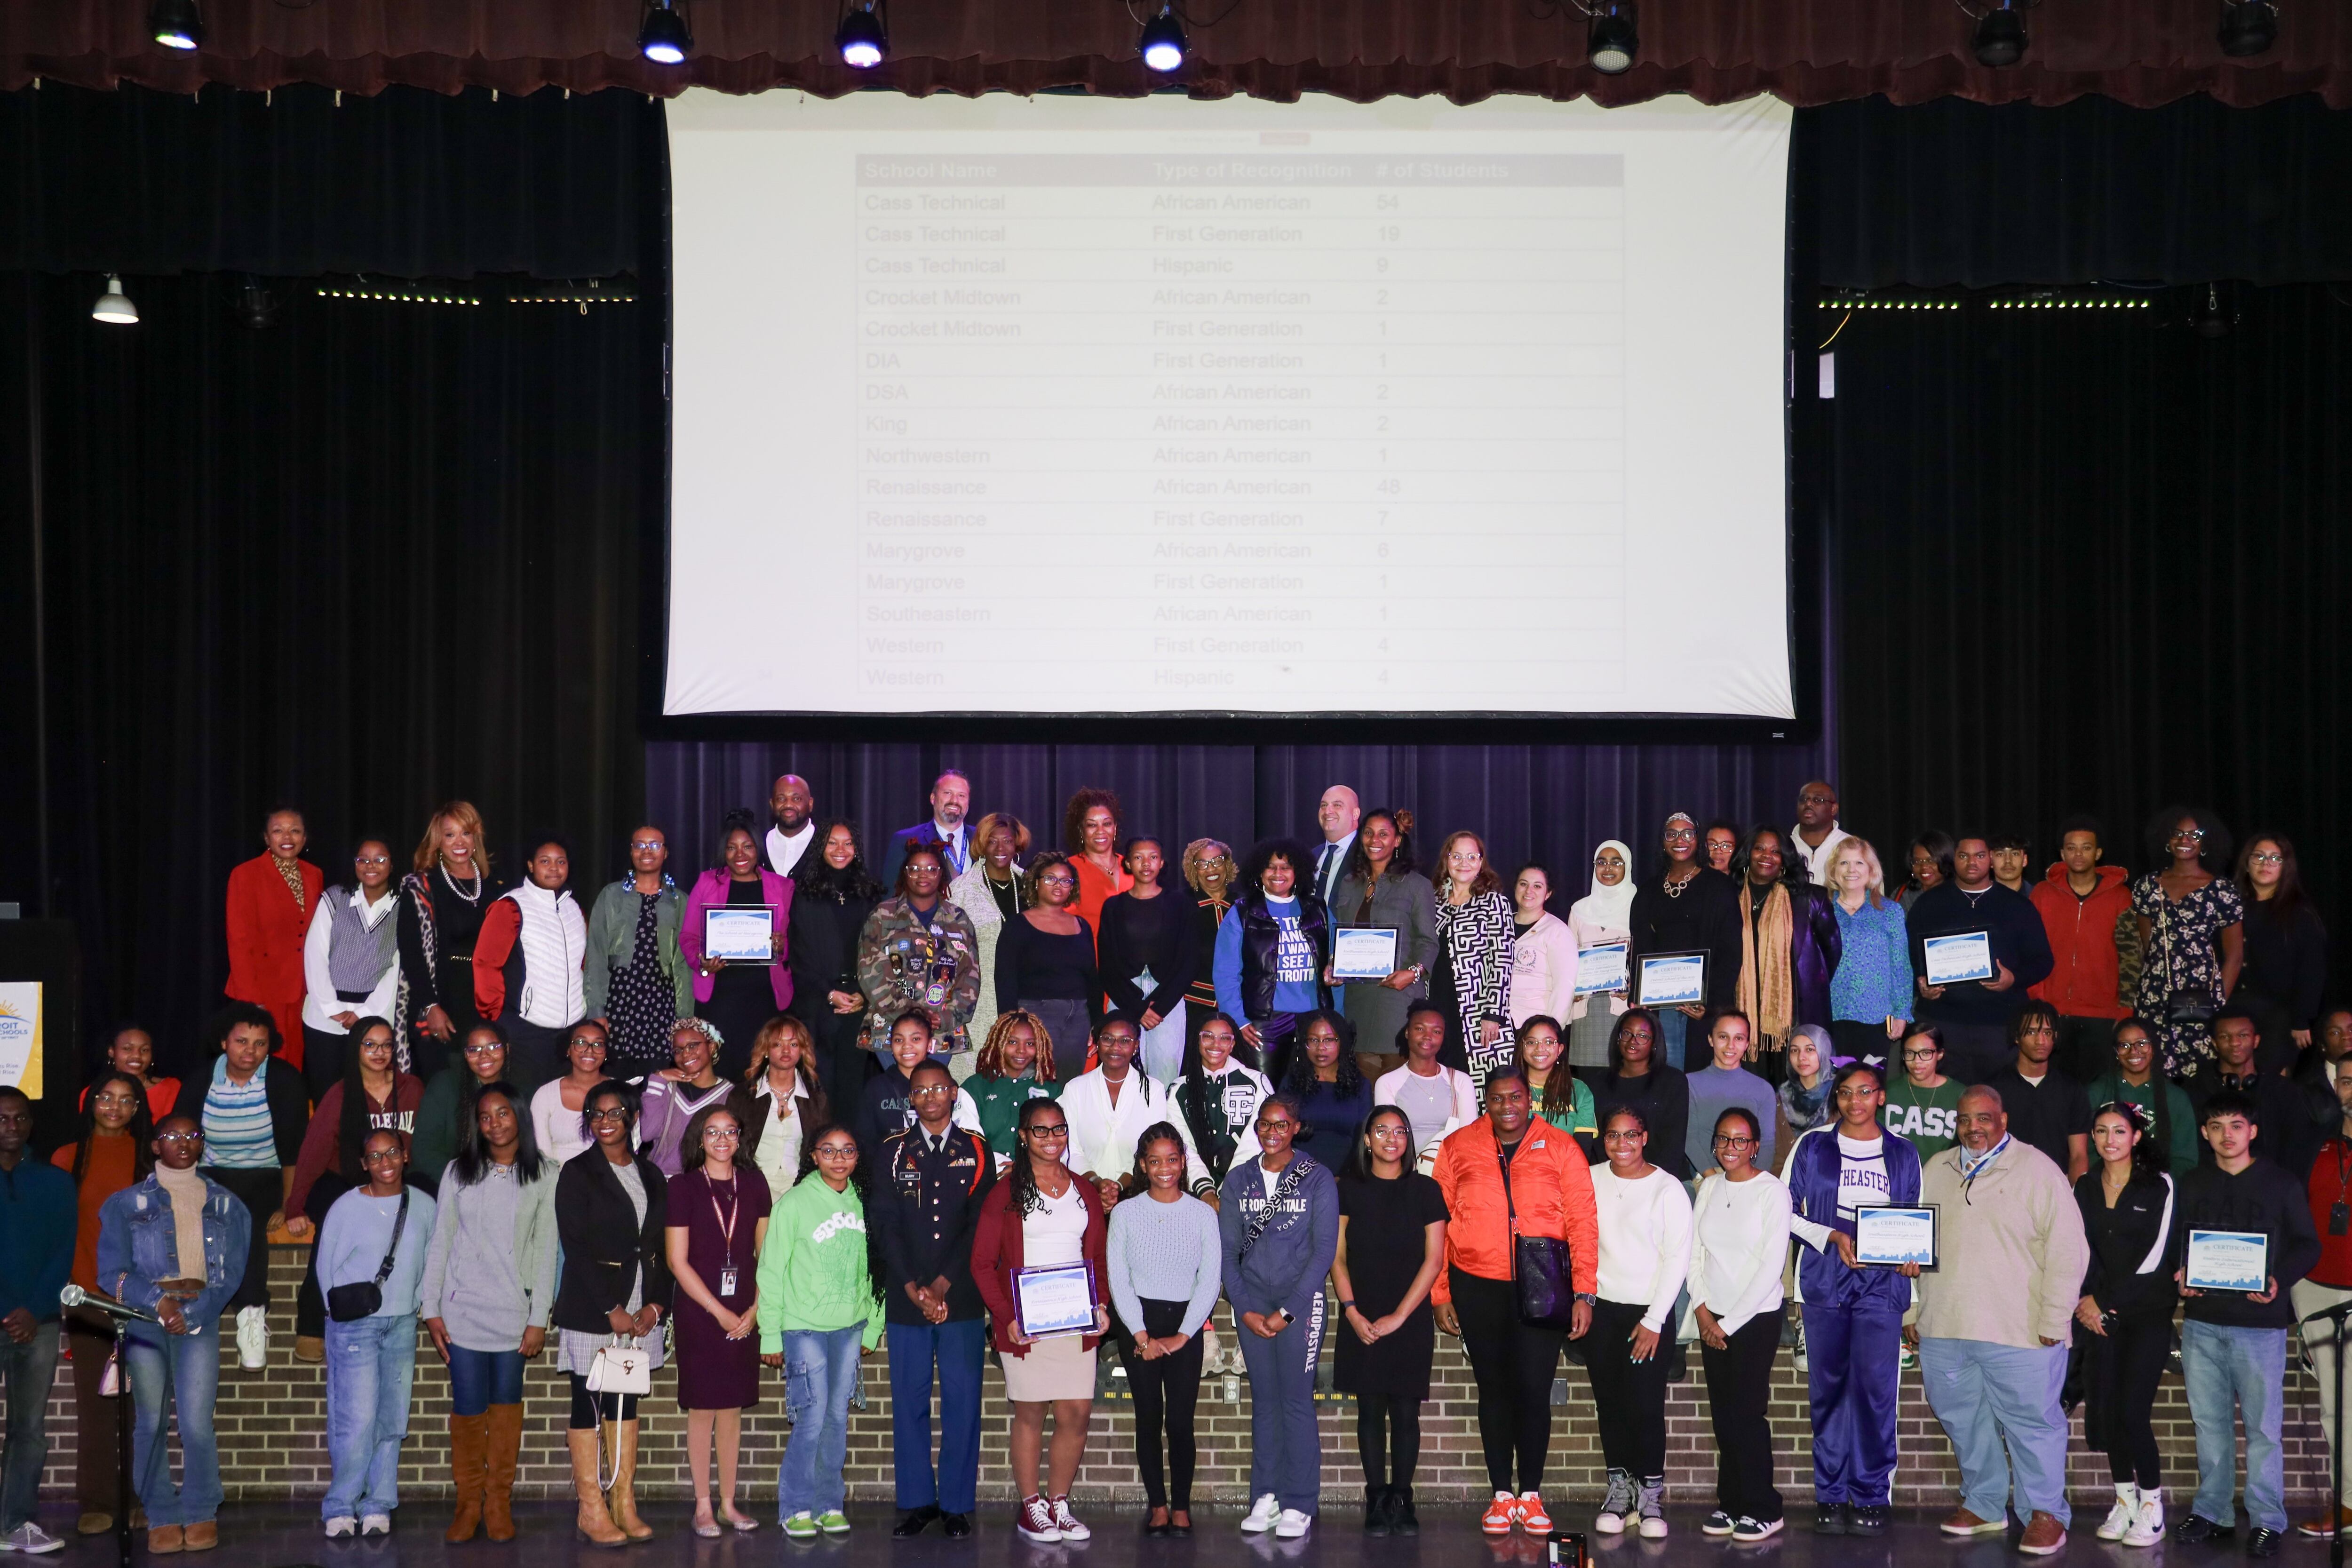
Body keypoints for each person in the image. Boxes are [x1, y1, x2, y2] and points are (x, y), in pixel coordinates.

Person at [1911, 1086, 2087, 1552]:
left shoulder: (2037, 1169)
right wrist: (1912, 1309)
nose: (1974, 1127)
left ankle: (2045, 1513)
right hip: (1945, 1327)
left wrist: (2055, 1317)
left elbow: (2069, 1249)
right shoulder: (1936, 1169)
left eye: (1984, 1118)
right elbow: (1911, 1246)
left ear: (2003, 1120)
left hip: (2020, 1330)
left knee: (2032, 1425)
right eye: (1965, 1119)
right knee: (1963, 1422)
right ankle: (1985, 1504)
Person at [1432, 1066, 1597, 1536]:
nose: (1507, 1107)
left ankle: (1530, 1494)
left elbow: (1583, 1221)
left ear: (1530, 1101)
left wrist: (1584, 1290)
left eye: (1515, 1098)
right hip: (1476, 1282)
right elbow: (1439, 1222)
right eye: (1498, 1099)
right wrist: (1440, 1291)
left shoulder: (1561, 1147)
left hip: (1542, 1281)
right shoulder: (1458, 1145)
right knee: (1494, 1390)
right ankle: (1500, 1495)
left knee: (1532, 1388)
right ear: (1487, 1102)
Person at [2171, 1088, 2322, 1555]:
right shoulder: (2190, 1183)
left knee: (2261, 1430)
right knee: (2209, 1424)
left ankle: (2266, 1519)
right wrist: (2180, 1273)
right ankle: (2212, 1512)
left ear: (2252, 1131)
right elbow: (2177, 1242)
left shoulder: (2281, 1184)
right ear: (2204, 1133)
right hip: (2201, 1322)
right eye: (2215, 1127)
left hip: (2259, 1326)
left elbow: (2307, 1245)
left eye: (2235, 1126)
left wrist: (2277, 1279)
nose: (2226, 1135)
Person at [98, 1114, 251, 1555]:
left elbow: (234, 1273)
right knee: (149, 1421)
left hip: (200, 1318)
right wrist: (159, 1303)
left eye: (192, 1136)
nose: (183, 1143)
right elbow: (111, 1272)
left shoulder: (228, 1205)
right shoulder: (124, 1204)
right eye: (172, 1136)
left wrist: (197, 1309)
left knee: (196, 1421)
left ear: (202, 1145)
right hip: (147, 1320)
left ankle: (201, 1508)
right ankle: (162, 1512)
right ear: (155, 1146)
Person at [1784, 1062, 1922, 1535]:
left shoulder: (1903, 1153)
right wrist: (1829, 1236)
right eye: (1845, 1093)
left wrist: (1911, 1258)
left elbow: (1912, 1220)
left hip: (1881, 1286)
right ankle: (1830, 1494)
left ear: (1880, 1096)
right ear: (1835, 1098)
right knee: (1827, 1393)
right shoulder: (1812, 1146)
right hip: (1824, 1280)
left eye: (1864, 1092)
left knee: (1875, 1395)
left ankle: (1869, 1494)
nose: (1854, 1101)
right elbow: (1782, 1211)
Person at [418, 1081, 556, 1544]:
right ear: (476, 1125)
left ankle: (498, 1503)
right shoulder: (459, 1172)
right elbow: (440, 1240)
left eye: (503, 1113)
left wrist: (539, 1317)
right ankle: (467, 1505)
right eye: (485, 1116)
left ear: (520, 1116)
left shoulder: (544, 1174)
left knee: (505, 1412)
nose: (494, 1122)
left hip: (514, 1315)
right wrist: (431, 1307)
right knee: (467, 1410)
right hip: (462, 1314)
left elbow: (545, 1250)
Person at [972, 1098, 1112, 1544]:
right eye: (1041, 1130)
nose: (1052, 1139)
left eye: (1059, 1129)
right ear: (1023, 1135)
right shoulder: (1005, 1193)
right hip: (1026, 1324)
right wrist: (1005, 1316)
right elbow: (981, 1263)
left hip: (1074, 1318)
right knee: (1031, 1412)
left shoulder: (1084, 1191)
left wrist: (1102, 1305)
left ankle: (1059, 1504)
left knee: (1077, 1413)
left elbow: (1098, 1258)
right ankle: (1031, 1506)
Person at [872, 1063, 996, 1539]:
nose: (929, 1097)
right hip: (907, 1300)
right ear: (911, 1098)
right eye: (919, 1091)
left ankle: (957, 1505)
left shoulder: (978, 1152)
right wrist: (911, 1287)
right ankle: (917, 1502)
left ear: (952, 1093)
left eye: (937, 1089)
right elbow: (883, 1224)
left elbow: (978, 1227)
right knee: (909, 1402)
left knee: (963, 1402)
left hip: (960, 1297)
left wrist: (943, 1284)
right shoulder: (890, 1153)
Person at [552, 1080, 670, 1547]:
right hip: (592, 1307)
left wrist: (657, 1303)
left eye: (614, 1113)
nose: (605, 1121)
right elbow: (575, 1247)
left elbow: (662, 1246)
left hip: (643, 1306)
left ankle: (624, 1502)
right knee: (589, 1400)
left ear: (633, 1117)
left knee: (625, 1402)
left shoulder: (652, 1175)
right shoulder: (577, 1173)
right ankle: (591, 1508)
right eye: (596, 1114)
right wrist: (611, 1310)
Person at [1221, 1093, 1339, 1539]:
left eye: (1281, 1124)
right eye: (1265, 1125)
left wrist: (1287, 1312)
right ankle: (1266, 1496)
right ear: (1257, 1130)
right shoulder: (1238, 1180)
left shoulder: (1317, 1177)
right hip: (1252, 1305)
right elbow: (1228, 1254)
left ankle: (1300, 1501)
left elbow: (1323, 1251)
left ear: (1295, 1127)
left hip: (1300, 1306)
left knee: (1295, 1400)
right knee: (1265, 1401)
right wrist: (1246, 1308)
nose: (1272, 1133)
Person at [757, 1123, 883, 1540]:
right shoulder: (793, 1203)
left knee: (836, 1419)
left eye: (847, 1150)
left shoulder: (867, 1201)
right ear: (813, 1155)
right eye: (829, 1151)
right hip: (804, 1327)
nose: (839, 1158)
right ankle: (795, 1506)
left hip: (850, 1326)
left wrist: (873, 1325)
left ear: (858, 1156)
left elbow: (880, 1268)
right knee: (811, 1419)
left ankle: (829, 1503)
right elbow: (771, 1271)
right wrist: (771, 1334)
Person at [1332, 1105, 1448, 1537]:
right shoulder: (1348, 1190)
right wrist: (1352, 1310)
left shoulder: (1426, 1190)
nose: (1391, 1138)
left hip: (1409, 1313)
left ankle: (1403, 1496)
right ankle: (1376, 1497)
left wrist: (1401, 1315)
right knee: (1369, 1409)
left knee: (1405, 1410)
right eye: (1382, 1130)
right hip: (1360, 1310)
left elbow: (1434, 1259)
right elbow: (1337, 1256)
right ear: (1367, 1138)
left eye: (1400, 1131)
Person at [315, 1130, 437, 1539]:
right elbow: (325, 1266)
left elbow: (431, 1258)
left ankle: (377, 1503)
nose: (385, 1162)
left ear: (405, 1156)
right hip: (356, 1325)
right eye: (375, 1156)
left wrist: (420, 1301)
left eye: (392, 1153)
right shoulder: (346, 1207)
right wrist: (336, 1313)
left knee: (391, 1418)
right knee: (356, 1418)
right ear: (364, 1163)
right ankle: (341, 1505)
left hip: (402, 1322)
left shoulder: (423, 1205)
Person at [173, 1003, 307, 1371]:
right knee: (216, 1220)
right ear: (224, 1042)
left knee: (250, 1220)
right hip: (212, 1173)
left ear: (270, 1047)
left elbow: (295, 1148)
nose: (250, 1050)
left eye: (260, 1043)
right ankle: (200, 1310)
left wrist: (290, 1202)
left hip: (267, 1174)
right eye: (242, 1041)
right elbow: (181, 1140)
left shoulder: (283, 1079)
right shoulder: (202, 1080)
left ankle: (251, 1314)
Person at [1107, 1124, 1224, 1538]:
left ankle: (1181, 1506)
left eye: (1172, 1159)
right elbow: (1118, 1279)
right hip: (1137, 1323)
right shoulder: (1124, 1212)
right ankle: (1157, 1505)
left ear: (1183, 1162)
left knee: (1179, 1421)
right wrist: (1141, 1336)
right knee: (1148, 1417)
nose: (1164, 1168)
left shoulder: (1202, 1213)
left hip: (1185, 1326)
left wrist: (1184, 1335)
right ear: (1143, 1164)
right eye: (1155, 1160)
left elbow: (1210, 1280)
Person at [51, 1074, 154, 1538]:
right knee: (95, 1407)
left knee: (140, 1409)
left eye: (126, 1100)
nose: (114, 1107)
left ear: (137, 1108)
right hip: (87, 1298)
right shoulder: (67, 1157)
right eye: (106, 1098)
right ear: (91, 1102)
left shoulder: (148, 1157)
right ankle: (96, 1500)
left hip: (138, 1303)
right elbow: (57, 1231)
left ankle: (138, 1498)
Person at [2074, 1100, 2179, 1548]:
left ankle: (2153, 1506)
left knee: (2135, 1412)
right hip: (2100, 1317)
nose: (2109, 1140)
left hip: (2146, 1314)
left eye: (2119, 1131)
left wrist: (2105, 1302)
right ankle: (2125, 1501)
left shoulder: (2160, 1185)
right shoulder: (2083, 1186)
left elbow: (2159, 1256)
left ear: (2137, 1136)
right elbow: (2079, 1247)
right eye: (2101, 1132)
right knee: (2111, 1412)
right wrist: (2087, 1303)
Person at [1583, 1106, 1692, 1541]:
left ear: (1645, 1137)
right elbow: (1580, 1241)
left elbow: (1677, 1259)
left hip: (1649, 1314)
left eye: (1631, 1135)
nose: (1622, 1144)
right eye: (1613, 1135)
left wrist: (1653, 1320)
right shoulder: (1591, 1178)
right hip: (1602, 1310)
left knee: (1646, 1407)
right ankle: (1619, 1491)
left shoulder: (1668, 1188)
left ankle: (1650, 1495)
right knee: (1610, 1404)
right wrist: (1583, 1298)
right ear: (1604, 1139)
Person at [286, 1019, 425, 1360]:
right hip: (344, 1178)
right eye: (370, 1045)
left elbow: (424, 1145)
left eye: (387, 1045)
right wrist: (295, 1205)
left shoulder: (412, 1088)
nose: (380, 1052)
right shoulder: (340, 1093)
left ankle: (423, 1301)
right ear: (356, 1050)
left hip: (398, 1177)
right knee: (332, 1224)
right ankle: (312, 1323)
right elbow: (314, 1152)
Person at [665, 1102, 772, 1537]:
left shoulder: (755, 1182)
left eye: (730, 1131)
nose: (722, 1139)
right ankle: (703, 1506)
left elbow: (766, 1255)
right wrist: (719, 1311)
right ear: (699, 1138)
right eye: (713, 1132)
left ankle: (729, 1503)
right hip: (700, 1310)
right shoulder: (683, 1187)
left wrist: (757, 1307)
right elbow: (677, 1261)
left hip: (745, 1309)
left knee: (732, 1409)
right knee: (703, 1409)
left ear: (741, 1137)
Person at [1688, 1106, 1791, 1543]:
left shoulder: (1773, 1192)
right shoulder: (1709, 1188)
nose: (1732, 1148)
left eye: (1741, 1140)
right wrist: (1702, 1310)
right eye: (1724, 1139)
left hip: (1755, 1319)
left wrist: (1728, 1324)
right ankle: (1731, 1502)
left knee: (1747, 1415)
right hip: (1714, 1316)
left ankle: (1764, 1507)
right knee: (1723, 1416)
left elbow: (1771, 1266)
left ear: (1755, 1146)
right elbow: (1694, 1254)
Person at [1907, 834, 2056, 1083]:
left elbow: (2043, 962)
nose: (1971, 863)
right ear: (1953, 860)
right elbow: (1907, 962)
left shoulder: (2018, 906)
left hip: (2000, 1026)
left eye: (1980, 856)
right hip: (1942, 1023)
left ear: (1991, 860)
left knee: (1997, 1103)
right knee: (1945, 1106)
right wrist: (1920, 985)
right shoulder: (1928, 905)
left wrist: (2014, 979)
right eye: (1963, 856)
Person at [0, 1086, 74, 1555]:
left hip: (39, 1320)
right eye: (3, 1118)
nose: (12, 1127)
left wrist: (33, 1307)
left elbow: (62, 1251)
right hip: (13, 1316)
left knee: (29, 1429)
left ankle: (16, 1524)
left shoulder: (55, 1181)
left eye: (20, 1118)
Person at [682, 811, 795, 1082]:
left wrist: (782, 946)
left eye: (747, 847)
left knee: (761, 1074)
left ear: (758, 849)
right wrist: (702, 963)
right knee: (721, 1072)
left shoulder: (782, 886)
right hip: (720, 997)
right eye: (732, 848)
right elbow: (688, 937)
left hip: (766, 997)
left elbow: (796, 940)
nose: (739, 854)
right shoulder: (708, 883)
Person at [395, 801, 505, 1081]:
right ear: (438, 841)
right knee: (445, 1084)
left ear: (475, 837)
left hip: (486, 999)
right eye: (450, 835)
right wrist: (431, 1007)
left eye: (466, 833)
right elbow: (411, 954)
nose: (459, 842)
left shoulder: (494, 887)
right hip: (442, 998)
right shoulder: (421, 886)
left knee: (485, 1086)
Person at [2133, 807, 2246, 1078]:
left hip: (2201, 997)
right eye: (2177, 834)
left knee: (2200, 1076)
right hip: (2156, 995)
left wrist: (2217, 1002)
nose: (2185, 840)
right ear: (2166, 840)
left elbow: (2235, 956)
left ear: (2207, 842)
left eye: (2194, 834)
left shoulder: (2222, 889)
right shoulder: (2147, 886)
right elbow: (2149, 947)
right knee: (2156, 1072)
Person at [1627, 813, 1742, 1073]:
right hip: (1660, 1005)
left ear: (1698, 840)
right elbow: (1641, 948)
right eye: (1672, 834)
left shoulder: (1719, 887)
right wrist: (1640, 993)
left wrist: (1711, 1004)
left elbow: (1731, 952)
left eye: (1687, 833)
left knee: (1695, 1079)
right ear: (1662, 842)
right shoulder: (1648, 892)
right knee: (1664, 1078)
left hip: (1701, 1006)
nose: (1680, 840)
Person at [1327, 809, 1435, 1080]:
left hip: (1399, 1000)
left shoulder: (1417, 885)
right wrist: (1333, 965)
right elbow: (1341, 937)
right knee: (1365, 1091)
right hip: (1358, 1003)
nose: (1375, 840)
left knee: (1396, 1090)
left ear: (1397, 840)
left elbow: (1428, 942)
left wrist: (1413, 974)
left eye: (1384, 834)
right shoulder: (1350, 884)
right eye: (1368, 833)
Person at [470, 837, 588, 1084]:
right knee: (529, 1107)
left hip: (572, 1031)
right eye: (545, 861)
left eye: (561, 862)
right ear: (531, 866)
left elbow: (582, 965)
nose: (554, 868)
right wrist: (500, 1022)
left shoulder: (574, 908)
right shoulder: (511, 906)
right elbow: (485, 964)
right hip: (528, 1030)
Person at [1214, 838, 1332, 1084]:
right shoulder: (1242, 913)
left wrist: (1335, 1019)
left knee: (1308, 1100)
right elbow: (1226, 974)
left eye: (1286, 867)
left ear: (1297, 871)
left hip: (1314, 1019)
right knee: (1265, 1096)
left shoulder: (1318, 910)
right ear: (1259, 872)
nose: (1278, 873)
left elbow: (1335, 965)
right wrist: (1238, 1020)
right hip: (1265, 1023)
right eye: (1270, 867)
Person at [2028, 817, 2135, 1082]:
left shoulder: (2121, 897)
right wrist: (2038, 1001)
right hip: (2051, 1012)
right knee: (2054, 1089)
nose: (2079, 854)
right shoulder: (2043, 893)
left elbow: (2131, 957)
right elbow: (2029, 950)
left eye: (2086, 848)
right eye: (2072, 848)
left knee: (2098, 1091)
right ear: (2062, 853)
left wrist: (2125, 1011)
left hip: (2103, 1014)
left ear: (2098, 853)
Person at [788, 820, 888, 1102]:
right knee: (819, 1093)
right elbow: (799, 956)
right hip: (818, 1006)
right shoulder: (804, 895)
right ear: (821, 847)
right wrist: (828, 994)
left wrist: (864, 992)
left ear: (857, 849)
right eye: (832, 843)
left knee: (854, 1091)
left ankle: (852, 1147)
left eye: (848, 843)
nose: (840, 850)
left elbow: (882, 952)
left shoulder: (871, 894)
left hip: (861, 1004)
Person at [1731, 828, 1843, 1078]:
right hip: (1744, 1010)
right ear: (1748, 854)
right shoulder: (1729, 896)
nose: (1766, 856)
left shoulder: (1810, 897)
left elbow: (1832, 950)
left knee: (1794, 1086)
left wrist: (1812, 981)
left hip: (1794, 1012)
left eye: (1776, 851)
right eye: (1760, 848)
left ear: (1785, 859)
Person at [2294, 1064, 2352, 1541]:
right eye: (2347, 1079)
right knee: (2335, 1405)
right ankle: (2348, 1503)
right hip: (2313, 1288)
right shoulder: (2311, 1142)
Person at [583, 825, 692, 1076]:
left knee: (657, 1082)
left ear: (666, 853)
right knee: (616, 1085)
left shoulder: (680, 901)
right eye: (640, 845)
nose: (647, 851)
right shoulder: (611, 896)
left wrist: (684, 1019)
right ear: (631, 852)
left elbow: (684, 966)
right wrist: (597, 1011)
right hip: (618, 1004)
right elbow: (597, 956)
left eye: (655, 845)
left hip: (661, 1007)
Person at [857, 843, 981, 1060]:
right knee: (898, 1092)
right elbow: (870, 972)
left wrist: (945, 1017)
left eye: (931, 869)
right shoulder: (883, 915)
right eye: (914, 869)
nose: (923, 875)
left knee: (932, 1092)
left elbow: (970, 976)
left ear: (941, 874)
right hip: (892, 1029)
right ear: (905, 873)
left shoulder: (958, 919)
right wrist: (908, 1015)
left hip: (940, 1032)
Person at [300, 838, 402, 1102]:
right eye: (363, 859)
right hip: (324, 1016)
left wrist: (365, 1014)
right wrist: (333, 1009)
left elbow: (397, 968)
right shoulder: (334, 898)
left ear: (392, 865)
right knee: (327, 1097)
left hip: (376, 1015)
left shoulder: (403, 906)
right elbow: (315, 954)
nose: (371, 866)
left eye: (380, 859)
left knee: (367, 1097)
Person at [225, 805, 323, 1072]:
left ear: (305, 838)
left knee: (295, 1062)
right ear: (267, 839)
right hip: (262, 987)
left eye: (295, 831)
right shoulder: (245, 875)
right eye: (278, 831)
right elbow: (239, 941)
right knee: (264, 1061)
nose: (287, 838)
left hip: (303, 988)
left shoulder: (314, 874)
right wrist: (250, 1001)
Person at [1100, 838, 1200, 1084]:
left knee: (1166, 1072)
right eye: (1138, 857)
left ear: (1162, 863)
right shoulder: (1113, 907)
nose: (1146, 864)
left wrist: (1158, 1007)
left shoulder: (1181, 904)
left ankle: (1162, 1124)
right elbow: (1107, 965)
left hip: (1168, 998)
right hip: (1125, 996)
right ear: (1128, 863)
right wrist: (1138, 1007)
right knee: (1123, 1072)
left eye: (1153, 857)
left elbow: (1188, 961)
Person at [994, 851, 1101, 1083]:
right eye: (1050, 879)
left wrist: (1098, 1024)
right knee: (1036, 1085)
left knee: (1069, 1086)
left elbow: (1092, 979)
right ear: (1036, 882)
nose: (1058, 885)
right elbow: (1005, 980)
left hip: (1078, 1018)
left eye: (1066, 881)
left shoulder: (1081, 926)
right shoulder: (1018, 925)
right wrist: (1011, 1026)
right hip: (1035, 1015)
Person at [2184, 1009, 2322, 1176]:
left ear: (2256, 1041)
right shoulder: (2193, 1091)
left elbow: (2297, 1149)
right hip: (2212, 1187)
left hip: (2272, 1187)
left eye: (2243, 1036)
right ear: (2214, 1044)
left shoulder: (2283, 1091)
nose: (2235, 1043)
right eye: (2225, 1037)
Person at [2236, 833, 2329, 1077]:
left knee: (2273, 1086)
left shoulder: (2300, 915)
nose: (2266, 863)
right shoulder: (2229, 907)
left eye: (2275, 858)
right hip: (2233, 1013)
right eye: (2259, 857)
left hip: (2279, 1019)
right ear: (2247, 863)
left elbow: (2311, 972)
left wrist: (2301, 1021)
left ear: (2286, 867)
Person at [411, 1022, 536, 1198]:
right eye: (474, 1050)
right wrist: (463, 1182)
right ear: (465, 1054)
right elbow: (424, 1149)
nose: (484, 1055)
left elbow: (528, 1146)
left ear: (507, 1048)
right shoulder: (446, 1085)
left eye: (493, 1047)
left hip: (508, 1185)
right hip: (452, 1184)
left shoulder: (521, 1089)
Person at [1432, 830, 1519, 1081]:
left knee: (1481, 1087)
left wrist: (1493, 1015)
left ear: (1481, 862)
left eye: (1472, 857)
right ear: (1446, 860)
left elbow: (1503, 963)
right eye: (1456, 856)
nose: (1463, 863)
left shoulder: (1494, 903)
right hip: (1439, 1005)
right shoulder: (1434, 901)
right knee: (1444, 1083)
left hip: (1477, 1012)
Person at [947, 812, 1030, 1071]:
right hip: (979, 999)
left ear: (1017, 844)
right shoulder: (960, 889)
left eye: (1007, 841)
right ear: (982, 844)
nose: (1000, 848)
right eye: (992, 841)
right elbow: (948, 948)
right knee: (977, 1071)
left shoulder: (1031, 884)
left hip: (1029, 992)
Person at [852, 1011, 983, 1169]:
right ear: (891, 1046)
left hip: (937, 1172)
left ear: (929, 1044)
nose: (907, 1046)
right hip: (889, 1171)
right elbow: (865, 1141)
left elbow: (958, 1136)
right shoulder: (876, 1088)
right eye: (899, 1040)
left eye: (916, 1039)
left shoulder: (945, 1085)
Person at [1060, 1014, 1169, 1203]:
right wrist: (1096, 1183)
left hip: (1138, 1194)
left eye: (1125, 1041)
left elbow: (1152, 1151)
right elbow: (1071, 1150)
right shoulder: (1075, 1089)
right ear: (1096, 1042)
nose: (1115, 1047)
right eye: (1108, 1039)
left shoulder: (1154, 1090)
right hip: (1082, 1192)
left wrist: (1118, 1187)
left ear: (1136, 1046)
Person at [1826, 838, 1911, 1067]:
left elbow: (1900, 965)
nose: (1851, 870)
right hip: (1830, 1014)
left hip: (1877, 1016)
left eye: (1859, 863)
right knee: (1835, 1088)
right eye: (1844, 863)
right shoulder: (1820, 910)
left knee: (1871, 1086)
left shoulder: (1890, 911)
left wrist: (1902, 1012)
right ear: (1833, 870)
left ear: (1871, 870)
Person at [1985, 1002, 2092, 1178]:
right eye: (2031, 1032)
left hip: (2055, 1186)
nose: (2040, 1041)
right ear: (2017, 1037)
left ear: (2055, 1037)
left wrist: (2074, 1197)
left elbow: (2079, 1156)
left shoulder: (2071, 1090)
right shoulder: (1994, 1089)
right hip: (2005, 1185)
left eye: (2047, 1033)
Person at [1172, 1011, 1272, 1199]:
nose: (1216, 1044)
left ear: (1233, 1044)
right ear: (1198, 1040)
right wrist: (1205, 1190)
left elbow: (1256, 1140)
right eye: (1208, 1037)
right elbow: (1183, 1143)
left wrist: (1230, 1189)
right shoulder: (1180, 1089)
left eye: (1225, 1038)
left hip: (1247, 1189)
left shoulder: (1257, 1082)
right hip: (1195, 1192)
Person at [638, 1019, 755, 1178]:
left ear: (712, 1046)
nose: (686, 1054)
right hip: (663, 1181)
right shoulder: (667, 1089)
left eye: (693, 1046)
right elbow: (647, 1133)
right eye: (678, 1051)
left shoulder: (732, 1095)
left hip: (707, 1183)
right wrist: (657, 1079)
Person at [1585, 1009, 1692, 1179]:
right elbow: (1597, 1143)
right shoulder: (1597, 1083)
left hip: (1664, 1178)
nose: (1633, 1041)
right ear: (1618, 1039)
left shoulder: (1673, 1081)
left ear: (1655, 1043)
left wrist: (1648, 1182)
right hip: (1611, 1178)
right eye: (1627, 1033)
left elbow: (1673, 1145)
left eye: (1642, 1036)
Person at [2087, 1016, 2200, 1174]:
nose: (2134, 1051)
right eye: (2124, 1046)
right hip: (2106, 1183)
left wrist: (2154, 1185)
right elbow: (2085, 1153)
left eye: (2142, 1044)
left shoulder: (2176, 1098)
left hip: (2158, 1188)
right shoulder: (2097, 1092)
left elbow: (2185, 1160)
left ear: (2153, 1048)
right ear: (2116, 1052)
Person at [1373, 1003, 1479, 1165]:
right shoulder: (1388, 1083)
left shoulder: (1461, 1081)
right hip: (1406, 1173)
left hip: (1451, 1170)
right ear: (1407, 1032)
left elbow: (1469, 1139)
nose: (1428, 1036)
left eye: (1436, 1032)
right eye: (1420, 1029)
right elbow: (1388, 1139)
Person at [1566, 840, 1638, 1068]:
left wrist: (1634, 988)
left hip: (1624, 1008)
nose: (1608, 869)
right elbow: (1568, 959)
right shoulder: (1579, 910)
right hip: (1585, 1010)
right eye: (1602, 862)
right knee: (1589, 1084)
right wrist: (1572, 989)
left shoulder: (1639, 905)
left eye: (1616, 862)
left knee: (1623, 1078)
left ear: (1627, 866)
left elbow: (1644, 955)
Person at [742, 1014, 829, 1200]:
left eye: (794, 1044)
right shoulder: (745, 1096)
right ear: (766, 1050)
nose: (786, 1050)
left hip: (801, 1185)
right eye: (778, 1044)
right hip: (754, 1185)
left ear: (802, 1051)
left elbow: (823, 1147)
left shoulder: (816, 1098)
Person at [1686, 1011, 1778, 1176]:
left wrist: (1754, 1181)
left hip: (1749, 1178)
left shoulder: (1763, 1089)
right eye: (1723, 1037)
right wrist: (1712, 1180)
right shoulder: (1690, 1084)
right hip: (1706, 1176)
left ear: (1747, 1044)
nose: (1731, 1046)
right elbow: (1689, 1138)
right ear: (1711, 1040)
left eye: (1739, 1038)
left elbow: (1767, 1144)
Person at [966, 1011, 1063, 1165]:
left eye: (1030, 1044)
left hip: (1038, 1175)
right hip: (988, 1174)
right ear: (999, 1042)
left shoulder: (1052, 1091)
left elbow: (1060, 1143)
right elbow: (968, 1142)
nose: (1021, 1050)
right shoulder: (975, 1087)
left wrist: (1026, 1170)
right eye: (1012, 1042)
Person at [1284, 1011, 1374, 1173]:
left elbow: (1363, 1140)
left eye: (1329, 1040)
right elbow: (1281, 1134)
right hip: (1297, 1174)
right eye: (1313, 1040)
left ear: (1343, 1042)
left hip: (1348, 1176)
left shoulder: (1361, 1086)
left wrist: (1345, 1178)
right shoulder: (1291, 1083)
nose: (1321, 1048)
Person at [1180, 839, 1239, 1043]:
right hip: (1194, 1005)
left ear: (1228, 865)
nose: (1210, 869)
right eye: (1202, 864)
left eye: (1217, 861)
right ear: (1193, 870)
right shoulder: (1181, 906)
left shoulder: (1245, 905)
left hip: (1239, 1007)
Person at [1516, 1014, 1600, 1155]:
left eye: (1548, 1042)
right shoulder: (1509, 1088)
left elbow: (1582, 1152)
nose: (1540, 1048)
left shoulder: (1579, 1091)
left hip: (1565, 1171)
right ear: (1522, 1047)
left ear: (1560, 1049)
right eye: (1531, 1042)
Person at [1509, 862, 1578, 1030]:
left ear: (1548, 894)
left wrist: (1551, 1032)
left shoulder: (1557, 932)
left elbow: (1564, 988)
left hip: (1535, 1027)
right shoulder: (1501, 924)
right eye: (1523, 884)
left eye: (1537, 886)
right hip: (1498, 1026)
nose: (1529, 891)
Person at [530, 1022, 611, 1165]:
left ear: (605, 1053)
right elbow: (543, 1157)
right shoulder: (545, 1095)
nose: (590, 1050)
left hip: (609, 1180)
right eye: (581, 1043)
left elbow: (629, 1149)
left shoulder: (620, 1092)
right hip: (558, 1181)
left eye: (598, 1044)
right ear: (569, 1050)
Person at [1883, 1025, 1964, 1162]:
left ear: (1940, 1054)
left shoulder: (1961, 1094)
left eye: (1926, 1053)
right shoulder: (1888, 1092)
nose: (1917, 1061)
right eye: (1910, 1053)